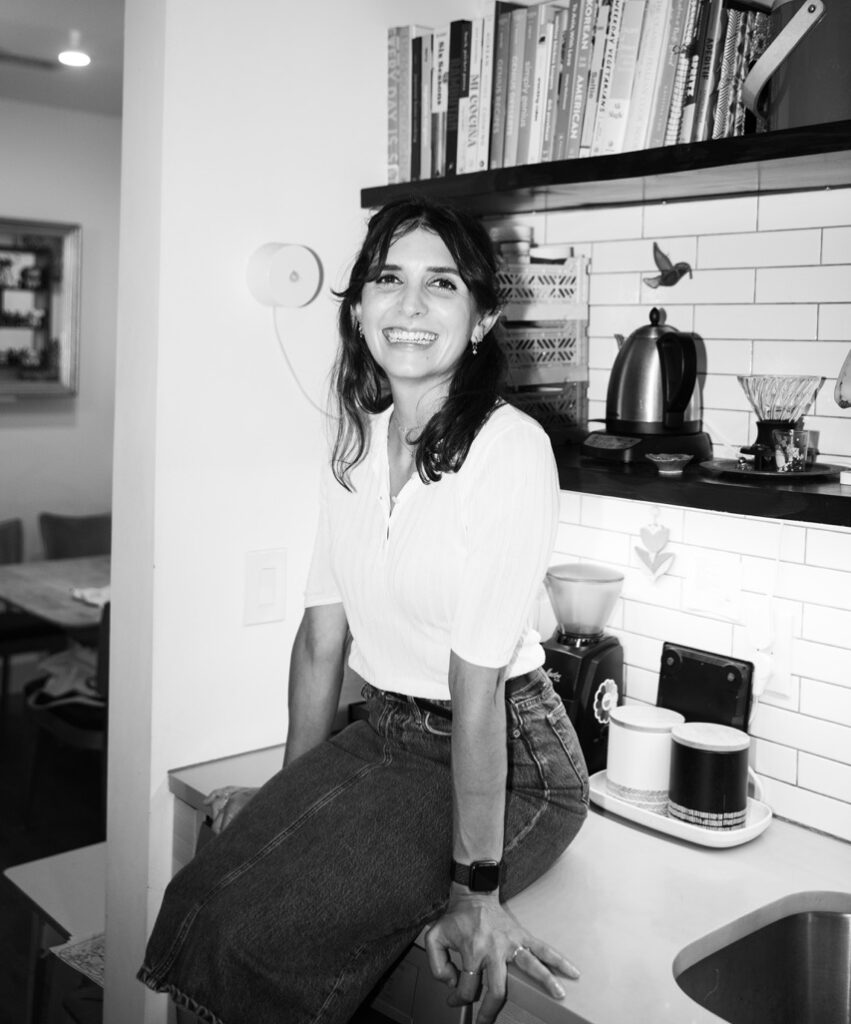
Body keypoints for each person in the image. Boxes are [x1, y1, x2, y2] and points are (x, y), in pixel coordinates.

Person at [138, 197, 589, 1024]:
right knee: (200, 893)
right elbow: (321, 639)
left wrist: (474, 890)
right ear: (359, 306)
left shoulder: (508, 448)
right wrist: (288, 790)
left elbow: (477, 687)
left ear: (483, 316)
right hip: (383, 734)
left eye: (441, 284)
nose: (409, 306)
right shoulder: (355, 437)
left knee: (256, 936)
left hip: (513, 763)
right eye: (389, 278)